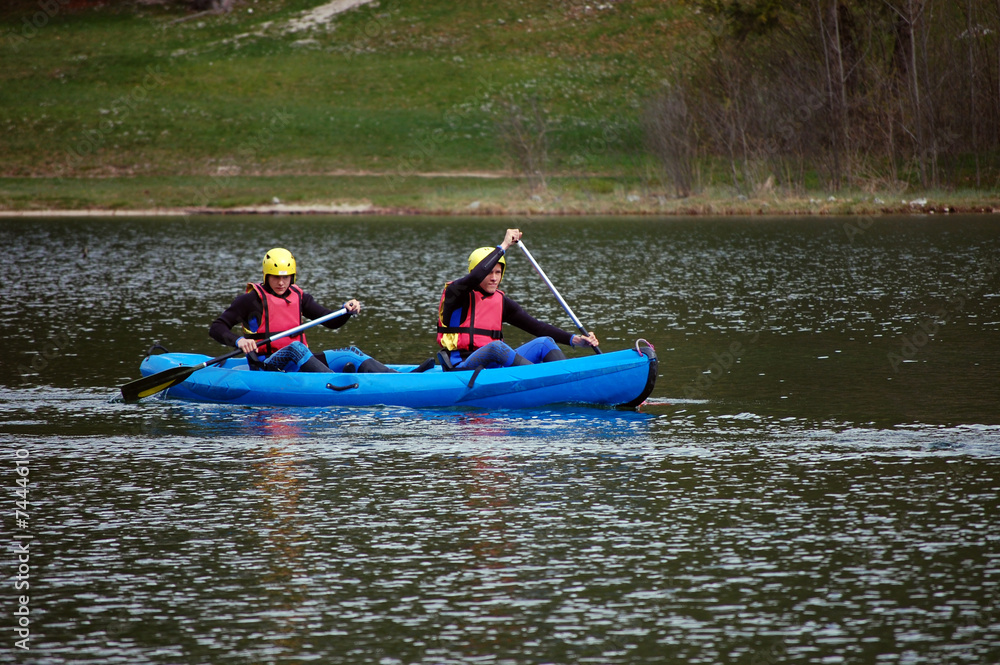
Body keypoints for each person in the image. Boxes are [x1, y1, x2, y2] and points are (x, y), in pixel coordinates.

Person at [210, 247, 398, 373]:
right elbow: (217, 327)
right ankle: (333, 381)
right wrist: (239, 341)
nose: (281, 283)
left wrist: (345, 311)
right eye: (275, 277)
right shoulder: (250, 301)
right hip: (267, 364)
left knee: (351, 352)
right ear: (266, 275)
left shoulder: (299, 297)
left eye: (286, 277)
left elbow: (329, 320)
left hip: (299, 360)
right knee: (296, 348)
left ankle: (398, 378)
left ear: (293, 276)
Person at [436, 229, 600, 371]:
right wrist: (504, 245)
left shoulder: (501, 302)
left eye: (498, 272)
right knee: (496, 348)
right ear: (476, 272)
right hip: (463, 368)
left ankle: (565, 379)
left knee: (544, 343)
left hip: (495, 367)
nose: (494, 278)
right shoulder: (455, 293)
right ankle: (542, 380)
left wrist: (575, 340)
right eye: (489, 272)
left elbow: (537, 327)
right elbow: (476, 276)